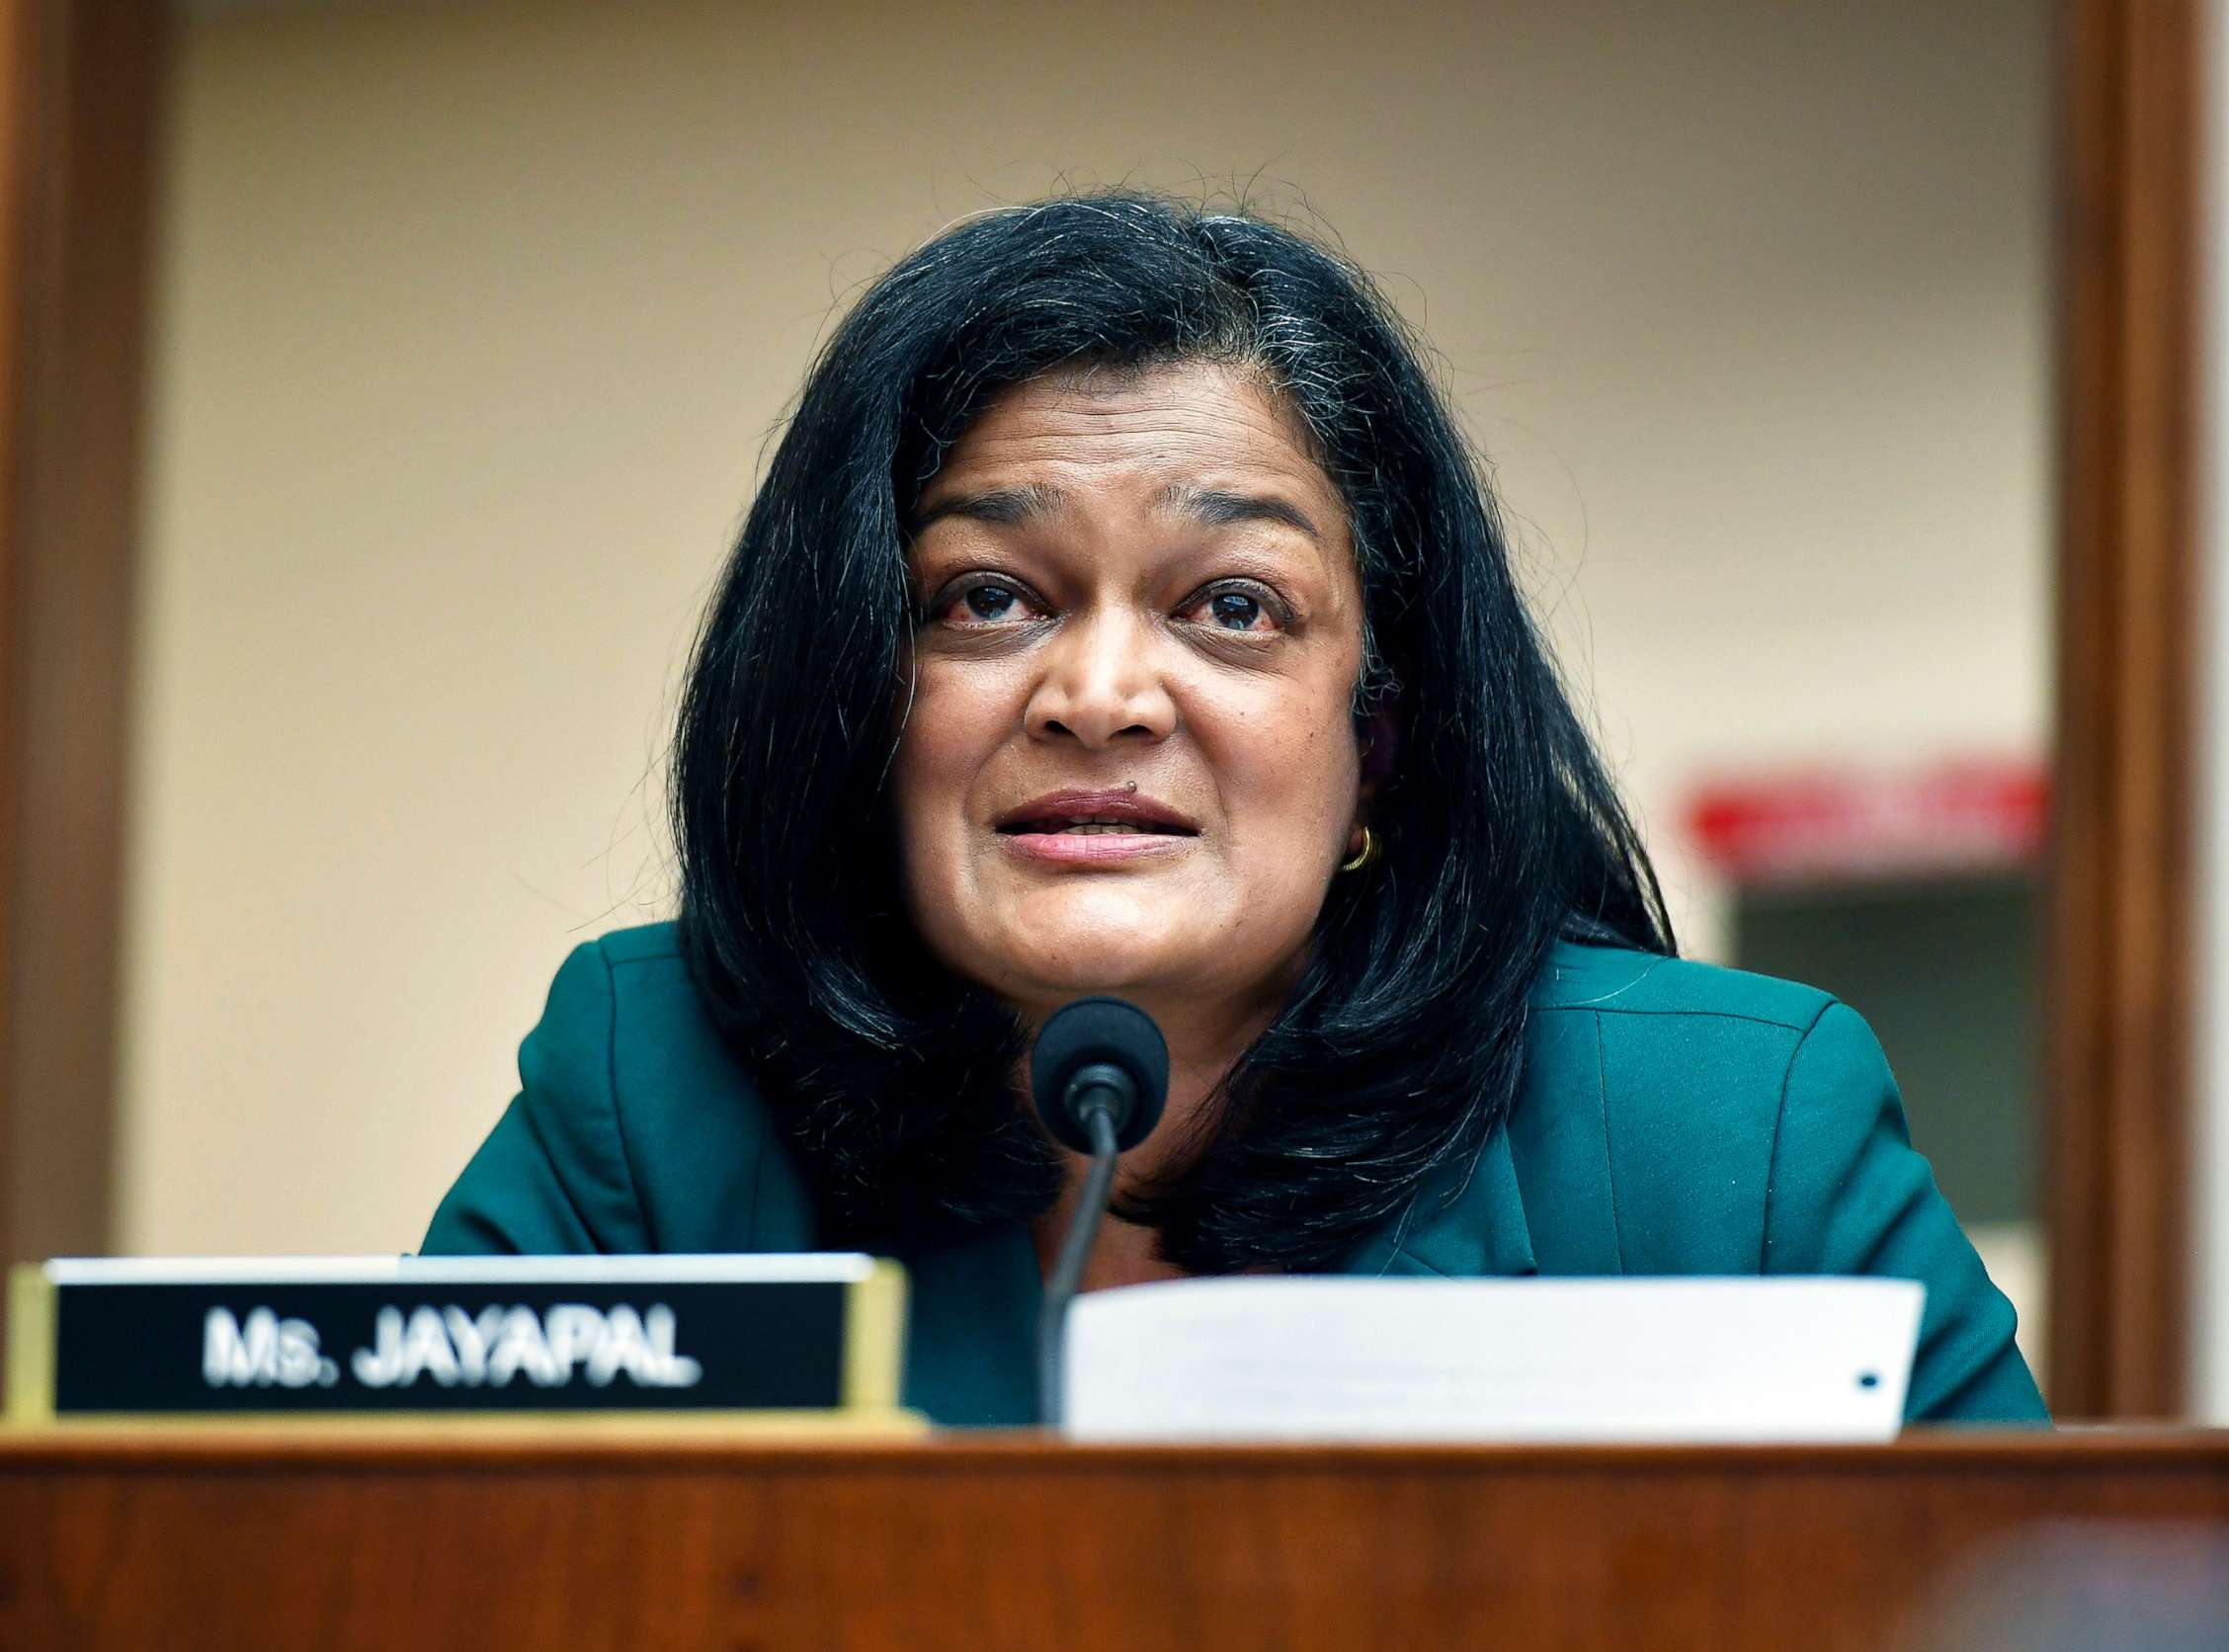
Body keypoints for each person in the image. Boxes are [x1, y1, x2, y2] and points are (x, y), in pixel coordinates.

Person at [424, 193, 2047, 1426]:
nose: (1101, 694)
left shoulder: (1731, 1139)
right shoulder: (649, 1096)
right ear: (854, 690)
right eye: (988, 597)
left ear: (1381, 735)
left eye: (1234, 607)